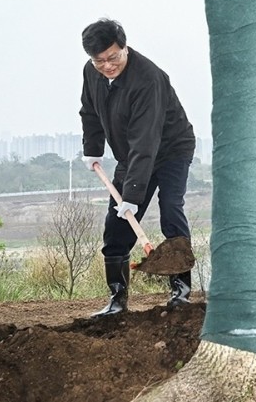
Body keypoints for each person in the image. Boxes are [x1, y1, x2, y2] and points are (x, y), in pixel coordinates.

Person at [79, 19, 196, 317]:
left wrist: (132, 194)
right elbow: (89, 112)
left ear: (125, 47)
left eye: (113, 57)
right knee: (116, 223)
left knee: (171, 208)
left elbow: (145, 140)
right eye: (99, 60)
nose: (107, 66)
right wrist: (92, 149)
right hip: (132, 155)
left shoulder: (148, 79)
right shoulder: (92, 72)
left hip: (170, 150)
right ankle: (117, 300)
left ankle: (180, 293)